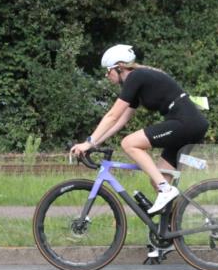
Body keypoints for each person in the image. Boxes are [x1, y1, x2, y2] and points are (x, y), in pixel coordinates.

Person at [69, 44, 208, 214]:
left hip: (185, 122)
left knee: (129, 143)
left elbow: (112, 115)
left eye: (108, 71)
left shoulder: (135, 77)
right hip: (186, 123)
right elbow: (119, 121)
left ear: (119, 68)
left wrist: (88, 142)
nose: (107, 75)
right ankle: (169, 232)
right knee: (156, 180)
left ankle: (166, 189)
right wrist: (95, 143)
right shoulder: (137, 82)